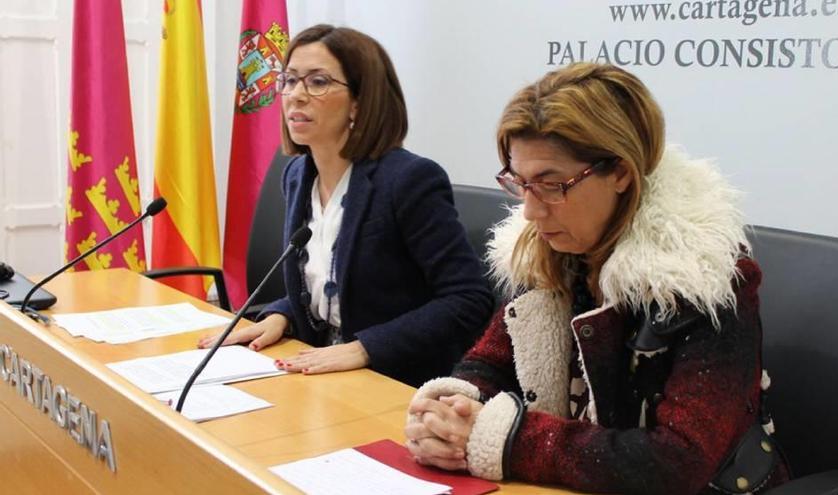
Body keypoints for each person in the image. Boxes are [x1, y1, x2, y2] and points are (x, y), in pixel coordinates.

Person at [404, 63, 790, 494]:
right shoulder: (552, 251)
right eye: (520, 182)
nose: (530, 211)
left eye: (552, 184)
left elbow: (679, 462)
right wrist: (455, 408)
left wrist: (506, 440)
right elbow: (490, 361)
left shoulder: (709, 281)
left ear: (621, 173)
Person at [199, 24, 493, 387]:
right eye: (289, 80)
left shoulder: (408, 180)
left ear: (360, 101)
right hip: (312, 370)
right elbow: (331, 290)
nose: (296, 95)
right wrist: (281, 316)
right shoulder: (297, 175)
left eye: (318, 82)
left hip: (390, 381)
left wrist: (364, 348)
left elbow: (468, 299)